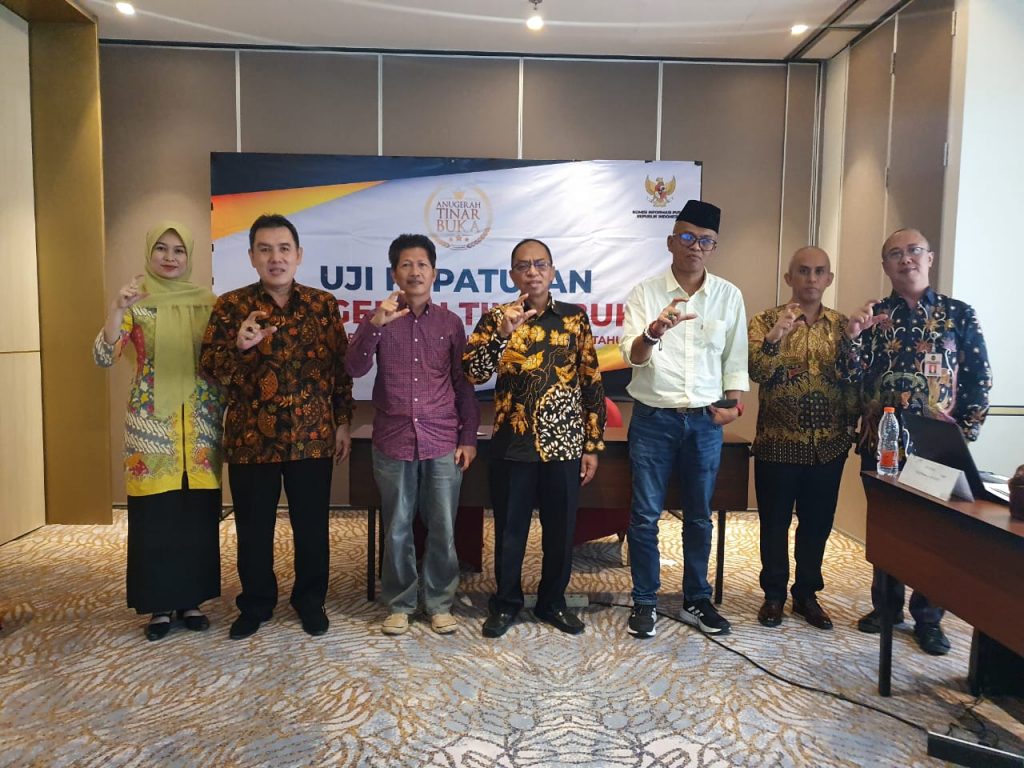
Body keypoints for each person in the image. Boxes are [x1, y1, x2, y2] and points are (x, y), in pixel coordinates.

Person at [200, 213, 354, 640]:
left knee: (312, 528)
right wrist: (239, 346)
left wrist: (343, 421)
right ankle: (256, 603)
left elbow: (340, 370)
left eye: (284, 249)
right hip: (252, 439)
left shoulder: (323, 305)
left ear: (298, 255)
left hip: (312, 437)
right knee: (253, 529)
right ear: (251, 256)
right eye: (265, 249)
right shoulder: (230, 307)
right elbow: (210, 368)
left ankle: (310, 601)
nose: (275, 258)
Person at [842, 228, 992, 655]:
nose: (905, 259)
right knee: (888, 527)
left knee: (934, 534)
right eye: (895, 253)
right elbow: (851, 377)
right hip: (882, 441)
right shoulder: (873, 315)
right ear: (885, 266)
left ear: (930, 258)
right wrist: (852, 338)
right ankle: (886, 609)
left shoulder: (959, 315)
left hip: (937, 448)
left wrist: (963, 437)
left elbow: (979, 378)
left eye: (913, 251)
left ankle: (929, 618)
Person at [463, 238, 606, 638]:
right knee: (510, 533)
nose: (532, 272)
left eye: (540, 264)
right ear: (512, 275)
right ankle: (506, 603)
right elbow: (473, 374)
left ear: (552, 271)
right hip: (513, 444)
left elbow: (591, 382)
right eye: (523, 266)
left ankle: (552, 602)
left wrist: (592, 445)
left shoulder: (575, 319)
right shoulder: (495, 319)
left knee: (560, 533)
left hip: (564, 444)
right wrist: (501, 335)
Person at [620, 199, 748, 639]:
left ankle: (697, 598)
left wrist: (735, 406)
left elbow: (735, 359)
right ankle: (644, 601)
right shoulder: (644, 294)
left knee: (699, 517)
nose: (696, 247)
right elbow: (633, 357)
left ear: (714, 247)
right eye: (688, 238)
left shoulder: (729, 296)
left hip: (705, 422)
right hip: (653, 419)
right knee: (644, 516)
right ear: (671, 241)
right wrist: (653, 332)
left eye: (705, 241)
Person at [93, 221, 224, 641]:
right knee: (156, 518)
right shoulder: (137, 302)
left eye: (179, 250)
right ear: (149, 253)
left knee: (196, 516)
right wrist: (116, 309)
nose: (170, 257)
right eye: (162, 249)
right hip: (152, 431)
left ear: (190, 257)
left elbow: (225, 361)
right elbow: (104, 356)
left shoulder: (209, 305)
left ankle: (192, 600)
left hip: (201, 428)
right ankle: (160, 606)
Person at [346, 234, 480, 636]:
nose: (415, 271)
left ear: (434, 273)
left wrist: (468, 438)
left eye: (422, 264)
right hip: (394, 438)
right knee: (398, 526)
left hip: (441, 439)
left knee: (442, 527)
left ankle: (439, 602)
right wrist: (374, 325)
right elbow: (353, 368)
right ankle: (400, 603)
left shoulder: (450, 323)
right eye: (406, 264)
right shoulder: (379, 319)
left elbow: (463, 384)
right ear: (395, 273)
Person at [748, 246, 856, 631]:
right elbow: (756, 372)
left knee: (817, 524)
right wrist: (775, 338)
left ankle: (807, 594)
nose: (811, 278)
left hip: (827, 447)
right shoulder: (765, 321)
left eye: (819, 271)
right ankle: (774, 594)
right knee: (774, 524)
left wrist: (851, 429)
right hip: (776, 443)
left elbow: (853, 379)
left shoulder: (843, 327)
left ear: (829, 279)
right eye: (803, 271)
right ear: (789, 278)